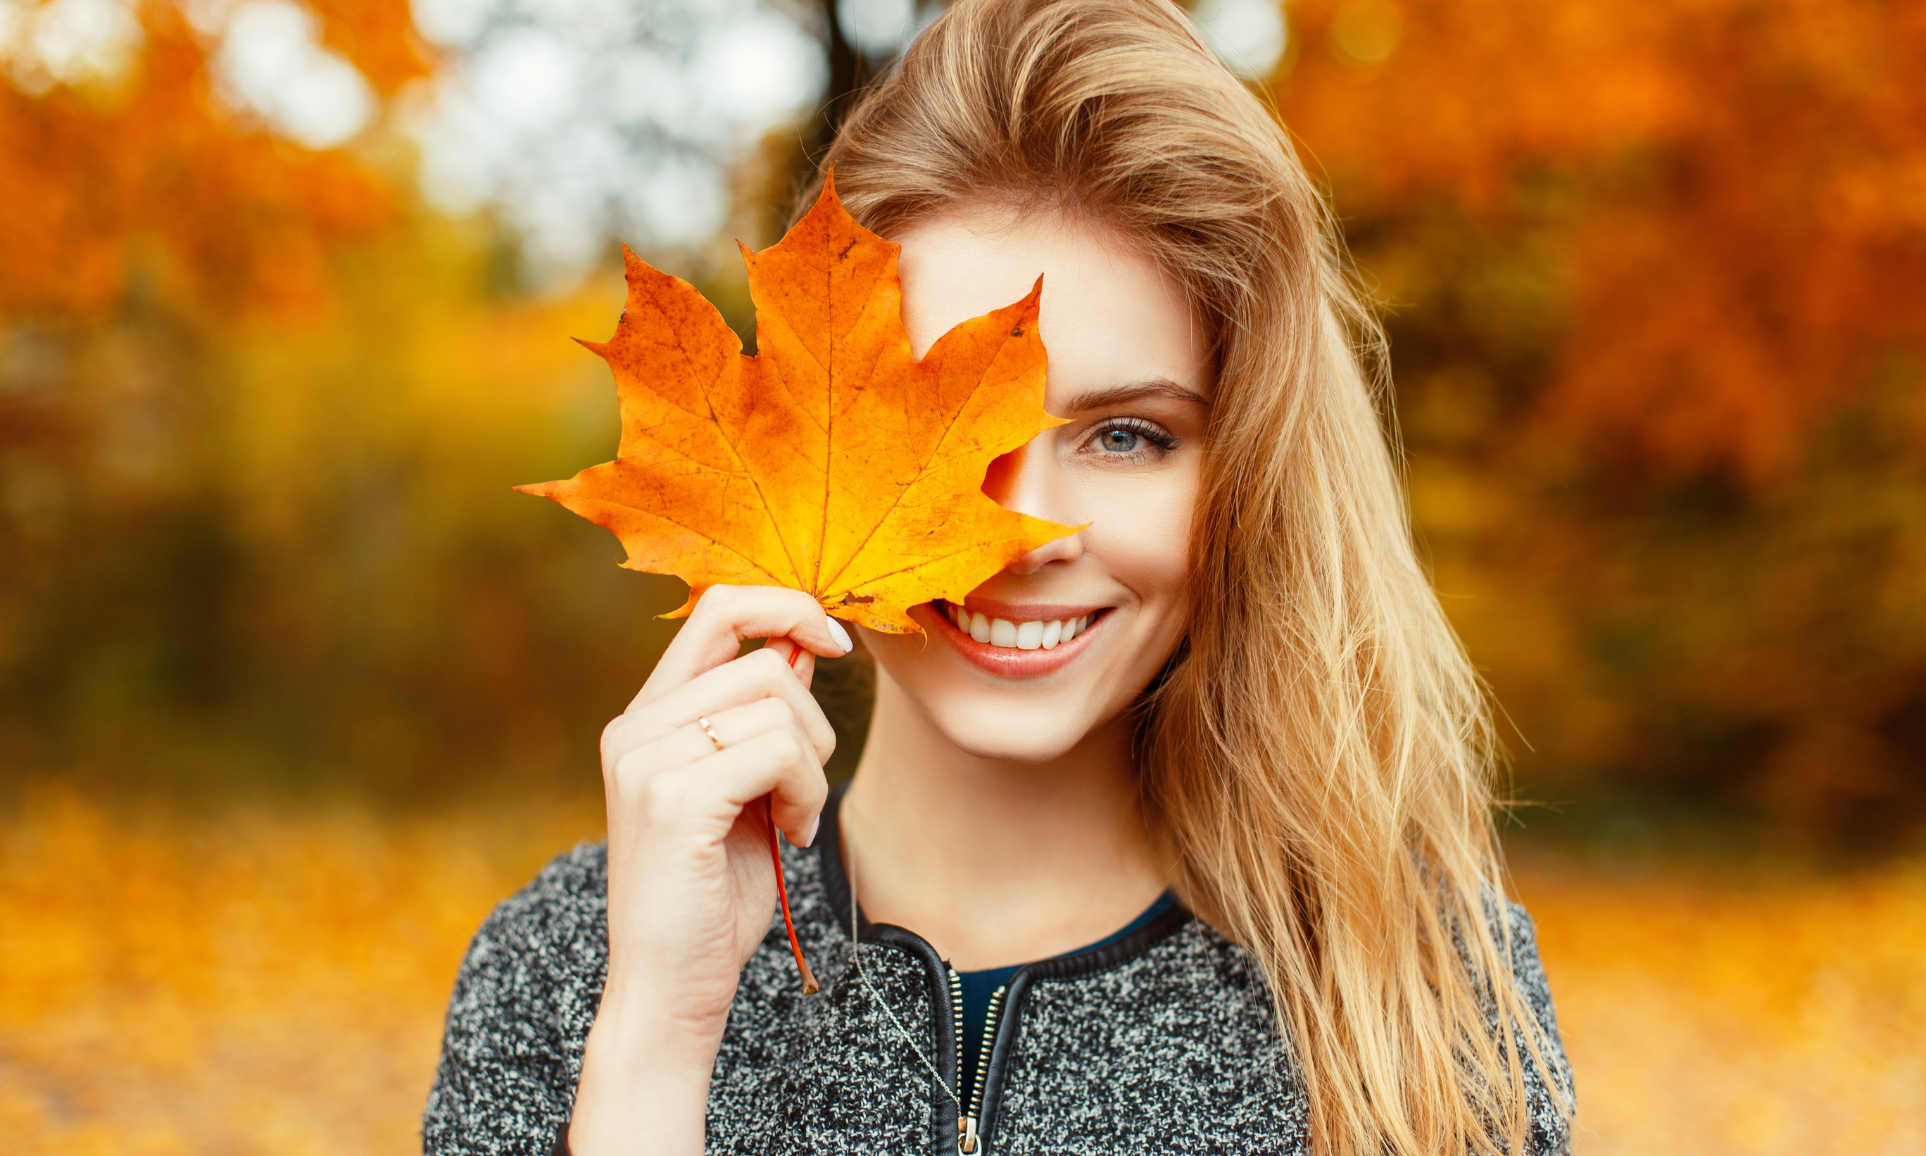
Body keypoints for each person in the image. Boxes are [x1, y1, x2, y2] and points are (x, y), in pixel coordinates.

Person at [422, 0, 1575, 1153]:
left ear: (1249, 479)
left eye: (1127, 435)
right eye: (952, 441)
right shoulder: (572, 963)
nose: (1024, 532)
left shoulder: (1426, 999)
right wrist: (660, 1039)